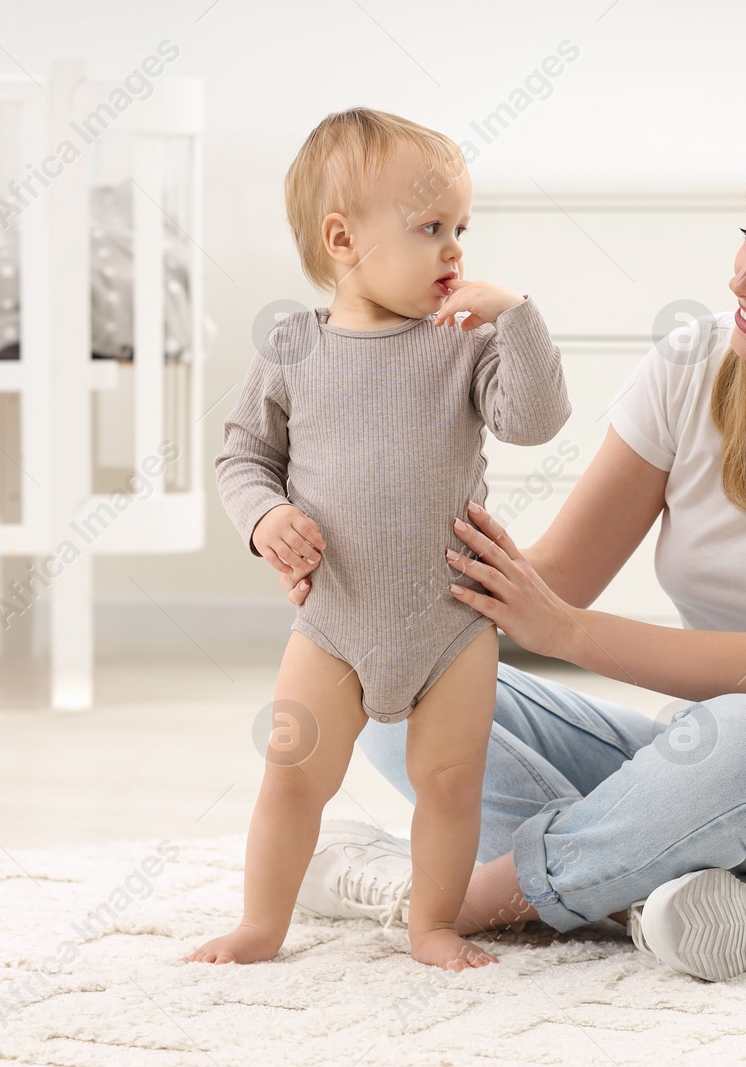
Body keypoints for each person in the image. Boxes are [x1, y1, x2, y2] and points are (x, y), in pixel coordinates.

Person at [281, 134, 746, 982]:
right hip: (696, 765)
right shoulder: (693, 364)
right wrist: (359, 580)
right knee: (410, 690)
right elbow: (555, 580)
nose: (742, 278)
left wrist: (572, 633)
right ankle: (681, 889)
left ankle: (456, 895)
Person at [193, 107, 571, 971]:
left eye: (461, 229)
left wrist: (513, 314)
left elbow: (536, 420)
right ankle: (261, 924)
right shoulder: (292, 347)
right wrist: (263, 518)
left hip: (450, 620)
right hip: (336, 621)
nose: (454, 250)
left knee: (447, 785)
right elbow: (244, 453)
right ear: (343, 239)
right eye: (431, 227)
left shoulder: (464, 346)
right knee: (293, 775)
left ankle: (433, 922)